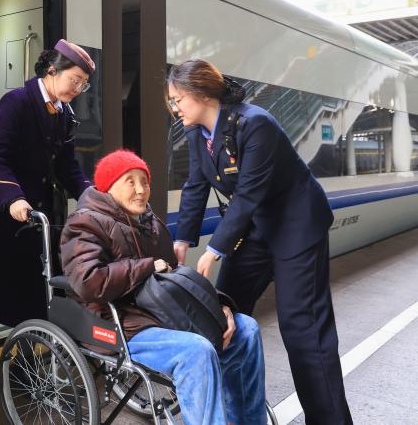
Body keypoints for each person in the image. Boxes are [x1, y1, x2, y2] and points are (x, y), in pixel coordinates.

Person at [168, 59, 352, 424]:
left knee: (304, 333)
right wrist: (182, 242)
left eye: (178, 100)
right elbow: (195, 186)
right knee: (222, 319)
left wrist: (214, 251)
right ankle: (239, 413)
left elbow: (249, 193)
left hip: (295, 229)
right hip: (252, 233)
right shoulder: (196, 133)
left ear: (202, 93)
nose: (174, 108)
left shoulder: (256, 124)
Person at [60, 150, 266, 425]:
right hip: (118, 322)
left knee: (246, 329)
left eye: (144, 182)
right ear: (108, 186)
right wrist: (146, 266)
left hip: (160, 312)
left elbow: (175, 276)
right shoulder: (85, 222)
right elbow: (87, 281)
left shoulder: (151, 222)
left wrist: (220, 306)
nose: (141, 190)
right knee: (197, 351)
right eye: (130, 181)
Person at [0, 39, 95, 375]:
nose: (79, 88)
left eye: (84, 83)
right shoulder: (15, 102)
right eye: (75, 80)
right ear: (52, 71)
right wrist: (14, 197)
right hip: (6, 212)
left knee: (35, 291)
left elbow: (67, 167)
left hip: (40, 216)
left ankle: (26, 359)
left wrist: (90, 195)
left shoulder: (64, 115)